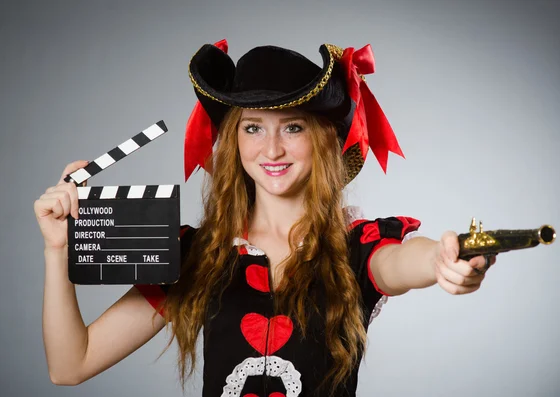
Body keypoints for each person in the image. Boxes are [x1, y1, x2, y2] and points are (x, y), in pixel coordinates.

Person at [34, 40, 496, 397]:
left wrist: (444, 258)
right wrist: (58, 249)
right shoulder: (195, 256)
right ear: (235, 139)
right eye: (253, 127)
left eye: (292, 127)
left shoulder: (357, 248)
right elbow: (71, 364)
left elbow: (405, 262)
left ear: (320, 140)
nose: (271, 149)